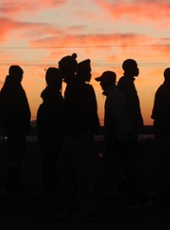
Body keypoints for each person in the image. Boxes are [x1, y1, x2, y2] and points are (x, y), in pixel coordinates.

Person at [95, 71, 152, 210]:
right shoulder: (116, 96)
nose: (100, 83)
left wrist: (119, 138)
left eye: (102, 81)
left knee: (112, 171)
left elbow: (121, 120)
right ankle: (141, 198)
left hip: (118, 141)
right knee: (126, 170)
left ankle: (93, 200)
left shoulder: (113, 98)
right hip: (120, 140)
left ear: (108, 81)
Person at [56, 54, 99, 221]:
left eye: (61, 68)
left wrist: (71, 131)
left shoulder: (74, 87)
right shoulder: (78, 85)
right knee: (71, 169)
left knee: (79, 172)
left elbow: (76, 113)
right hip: (77, 134)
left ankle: (87, 208)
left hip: (77, 134)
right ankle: (79, 205)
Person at [0, 65, 31, 194]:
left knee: (16, 157)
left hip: (16, 127)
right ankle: (13, 184)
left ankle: (14, 183)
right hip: (15, 128)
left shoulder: (11, 88)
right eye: (20, 75)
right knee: (14, 157)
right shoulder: (11, 89)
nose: (21, 78)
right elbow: (13, 109)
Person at [116, 59, 144, 193]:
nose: (138, 69)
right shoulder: (125, 83)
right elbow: (128, 106)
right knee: (129, 161)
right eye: (136, 67)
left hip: (130, 126)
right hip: (128, 128)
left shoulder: (127, 82)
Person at [151, 67, 170, 194]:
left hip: (164, 129)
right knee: (164, 159)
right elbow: (160, 113)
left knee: (164, 159)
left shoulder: (164, 90)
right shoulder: (164, 91)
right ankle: (162, 186)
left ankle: (163, 185)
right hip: (163, 130)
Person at [37, 67, 64, 194]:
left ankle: (50, 188)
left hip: (49, 138)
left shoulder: (49, 99)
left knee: (49, 164)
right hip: (54, 138)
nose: (61, 82)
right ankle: (52, 189)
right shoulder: (54, 100)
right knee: (53, 164)